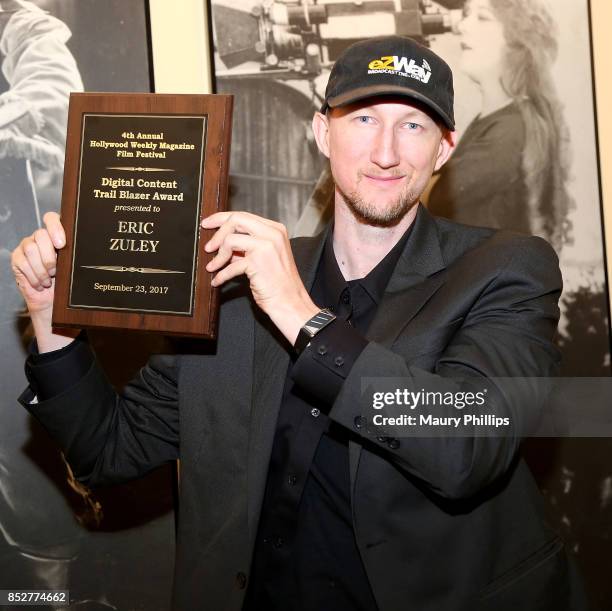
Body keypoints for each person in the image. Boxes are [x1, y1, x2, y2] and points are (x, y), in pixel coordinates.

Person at [11, 36, 587, 611]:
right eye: (363, 118)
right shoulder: (231, 290)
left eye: (413, 125)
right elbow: (107, 451)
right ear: (321, 133)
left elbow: (466, 444)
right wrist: (50, 320)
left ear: (443, 149)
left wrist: (301, 317)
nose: (385, 152)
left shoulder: (504, 270)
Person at [426, 0, 571, 252]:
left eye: (482, 18)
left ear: (517, 44)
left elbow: (432, 201)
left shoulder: (510, 130)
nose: (463, 26)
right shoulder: (498, 119)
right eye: (467, 15)